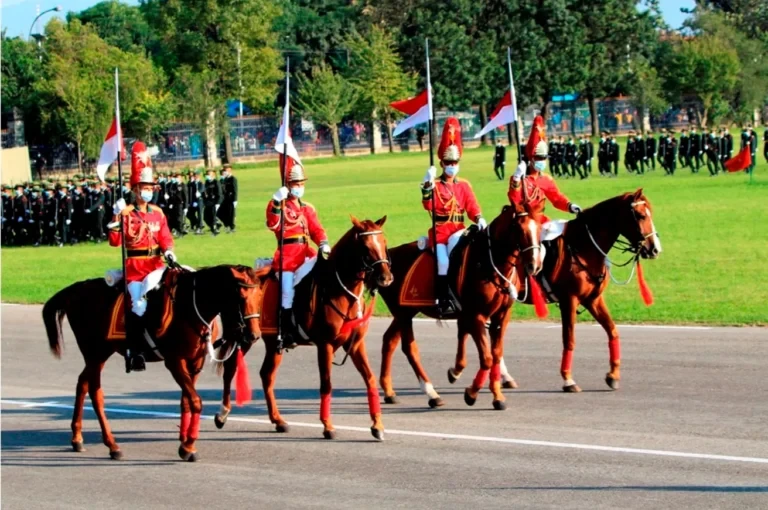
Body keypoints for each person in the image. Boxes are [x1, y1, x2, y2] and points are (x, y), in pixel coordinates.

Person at [108, 141, 176, 373]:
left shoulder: (157, 213)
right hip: (136, 268)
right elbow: (115, 242)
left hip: (157, 265)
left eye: (150, 188)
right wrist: (116, 217)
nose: (148, 191)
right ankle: (135, 350)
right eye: (144, 187)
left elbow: (165, 236)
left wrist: (169, 250)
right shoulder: (126, 213)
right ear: (135, 189)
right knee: (138, 304)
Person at [421, 117, 485, 316]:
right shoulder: (435, 185)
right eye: (448, 162)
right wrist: (427, 185)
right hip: (441, 233)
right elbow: (427, 205)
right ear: (442, 163)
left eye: (455, 162)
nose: (452, 165)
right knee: (443, 261)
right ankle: (442, 298)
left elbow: (471, 206)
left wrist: (479, 218)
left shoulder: (464, 185)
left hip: (459, 230)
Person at [266, 158, 329, 349]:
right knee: (287, 291)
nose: (300, 187)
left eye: (301, 184)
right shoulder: (279, 206)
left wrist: (323, 242)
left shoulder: (306, 208)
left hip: (306, 253)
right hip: (287, 256)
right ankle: (286, 330)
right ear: (288, 185)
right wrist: (276, 201)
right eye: (296, 184)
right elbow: (273, 224)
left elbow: (316, 229)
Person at [508, 136, 581, 261]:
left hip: (541, 221)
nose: (542, 161)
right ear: (531, 158)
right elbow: (514, 199)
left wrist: (569, 206)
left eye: (544, 158)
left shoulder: (546, 179)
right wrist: (516, 178)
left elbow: (556, 198)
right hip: (525, 224)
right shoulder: (521, 180)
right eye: (539, 158)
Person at [203, 168, 222, 235]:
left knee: (212, 217)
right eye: (207, 174)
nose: (207, 175)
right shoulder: (206, 182)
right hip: (208, 202)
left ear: (213, 174)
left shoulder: (216, 182)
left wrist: (218, 203)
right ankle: (215, 226)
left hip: (214, 202)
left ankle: (214, 230)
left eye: (209, 174)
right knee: (205, 217)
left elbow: (219, 193)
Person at [220, 164, 238, 232]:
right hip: (225, 198)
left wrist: (235, 200)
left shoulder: (233, 179)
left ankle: (232, 227)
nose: (225, 172)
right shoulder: (225, 179)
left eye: (226, 170)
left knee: (231, 214)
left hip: (231, 199)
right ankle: (227, 225)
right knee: (223, 213)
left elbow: (235, 190)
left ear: (230, 170)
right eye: (225, 170)